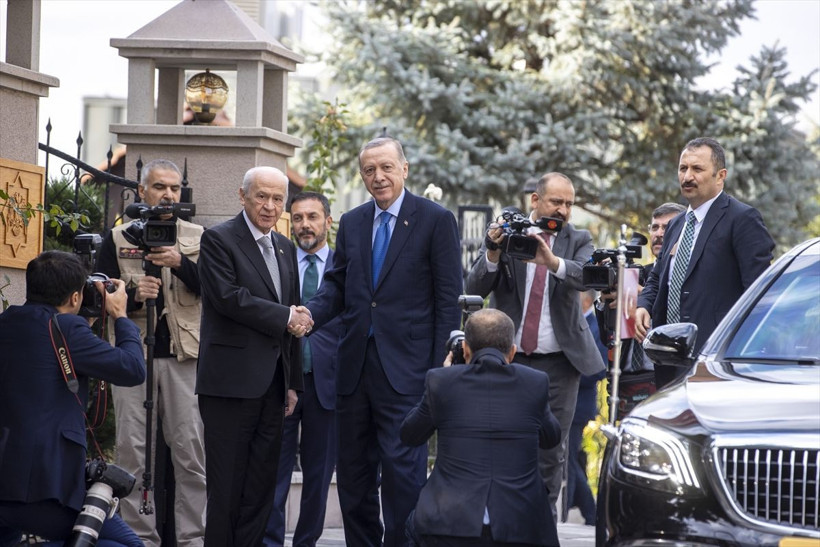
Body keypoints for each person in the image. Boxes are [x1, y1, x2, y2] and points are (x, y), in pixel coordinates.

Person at [307, 137, 463, 547]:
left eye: (386, 167)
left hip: (408, 373)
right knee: (354, 478)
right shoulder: (354, 221)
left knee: (403, 477)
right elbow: (336, 287)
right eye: (370, 170)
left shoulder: (434, 219)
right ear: (362, 175)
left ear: (405, 169)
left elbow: (448, 300)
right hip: (354, 370)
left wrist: (438, 368)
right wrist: (309, 315)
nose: (379, 177)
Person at [466, 172, 605, 520]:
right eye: (556, 201)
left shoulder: (579, 238)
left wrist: (552, 262)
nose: (563, 209)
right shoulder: (510, 233)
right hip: (508, 360)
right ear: (535, 200)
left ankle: (540, 527)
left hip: (560, 365)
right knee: (500, 440)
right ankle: (498, 523)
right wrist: (493, 252)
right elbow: (475, 286)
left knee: (551, 450)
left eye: (569, 204)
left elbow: (587, 275)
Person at [196, 166, 310, 545]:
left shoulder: (285, 246)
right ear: (242, 196)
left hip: (274, 387)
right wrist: (286, 316)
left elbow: (290, 313)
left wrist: (292, 383)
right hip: (229, 386)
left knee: (261, 491)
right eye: (262, 196)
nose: (270, 206)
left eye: (278, 198)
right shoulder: (218, 239)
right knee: (227, 489)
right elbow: (229, 299)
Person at [0, 251, 145, 546]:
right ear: (76, 298)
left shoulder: (7, 322)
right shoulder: (67, 328)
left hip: (6, 482)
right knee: (126, 543)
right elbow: (132, 368)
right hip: (43, 489)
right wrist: (120, 316)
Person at [96, 158, 207, 546]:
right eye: (160, 187)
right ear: (142, 192)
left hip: (183, 357)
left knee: (190, 452)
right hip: (133, 358)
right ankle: (140, 539)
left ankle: (194, 538)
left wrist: (179, 264)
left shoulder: (197, 235)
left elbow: (215, 289)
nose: (168, 196)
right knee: (132, 452)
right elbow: (101, 300)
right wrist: (136, 300)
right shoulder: (118, 238)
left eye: (175, 189)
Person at [401, 309, 561, 547]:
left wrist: (447, 378)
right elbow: (552, 438)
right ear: (512, 352)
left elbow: (409, 434)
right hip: (522, 526)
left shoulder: (441, 381)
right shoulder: (534, 382)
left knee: (411, 528)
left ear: (465, 349)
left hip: (448, 525)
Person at [635, 137, 775, 388]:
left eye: (697, 169)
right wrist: (643, 305)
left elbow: (758, 295)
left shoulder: (742, 219)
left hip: (715, 360)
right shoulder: (677, 224)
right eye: (683, 168)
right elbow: (658, 277)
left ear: (720, 175)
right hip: (668, 358)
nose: (687, 176)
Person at [265, 192, 342, 547]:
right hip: (281, 382)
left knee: (318, 476)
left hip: (328, 384)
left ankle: (306, 542)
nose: (304, 225)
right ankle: (270, 541)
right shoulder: (278, 261)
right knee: (273, 474)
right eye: (297, 218)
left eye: (312, 217)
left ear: (328, 221)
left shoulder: (344, 264)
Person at [564, 290, 607, 526]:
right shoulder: (576, 322)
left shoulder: (595, 324)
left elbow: (597, 368)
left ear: (587, 299)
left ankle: (586, 513)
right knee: (571, 459)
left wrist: (568, 374)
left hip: (579, 404)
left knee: (568, 459)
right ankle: (590, 513)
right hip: (569, 401)